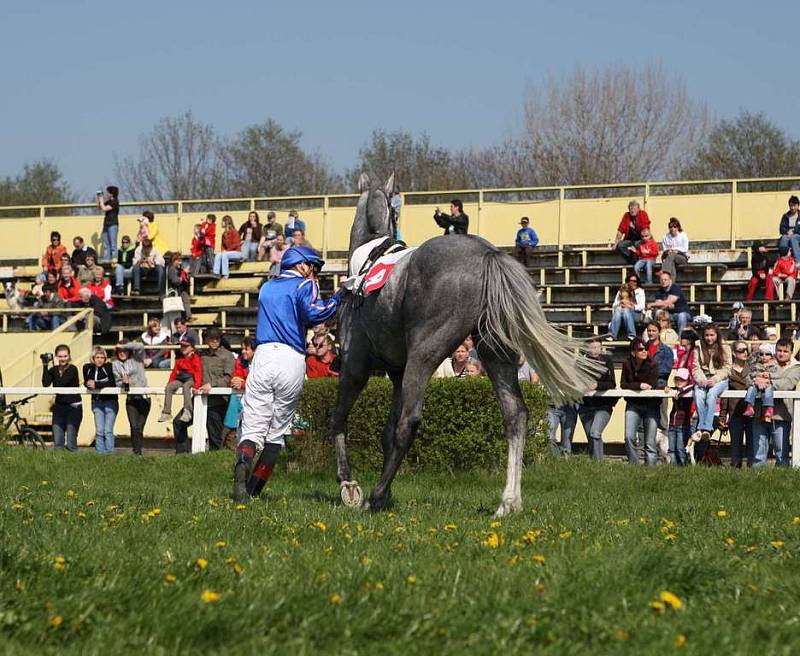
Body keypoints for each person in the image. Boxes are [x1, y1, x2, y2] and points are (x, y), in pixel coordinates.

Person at [233, 245, 341, 501]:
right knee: (276, 433)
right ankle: (253, 491)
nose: (313, 272)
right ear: (302, 264)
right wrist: (338, 298)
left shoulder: (266, 287)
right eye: (312, 267)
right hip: (291, 358)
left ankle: (242, 464)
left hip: (262, 356)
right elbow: (315, 315)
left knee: (252, 429)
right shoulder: (305, 285)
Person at [175, 327, 234, 452]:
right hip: (199, 399)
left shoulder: (227, 356)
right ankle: (182, 456)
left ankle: (216, 462)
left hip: (218, 401)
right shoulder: (200, 355)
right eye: (211, 338)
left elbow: (227, 379)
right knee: (179, 423)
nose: (214, 341)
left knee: (215, 438)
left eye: (217, 338)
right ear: (206, 339)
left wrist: (211, 385)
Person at [750, 337, 800, 467]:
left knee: (781, 451)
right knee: (758, 452)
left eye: (785, 351)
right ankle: (757, 480)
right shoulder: (763, 363)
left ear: (791, 353)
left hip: (781, 415)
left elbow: (787, 383)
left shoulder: (796, 367)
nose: (781, 353)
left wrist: (767, 380)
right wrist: (756, 380)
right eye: (779, 350)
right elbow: (749, 378)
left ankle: (782, 480)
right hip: (760, 412)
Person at [620, 337, 660, 465]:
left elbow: (651, 384)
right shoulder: (626, 364)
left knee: (650, 441)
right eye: (640, 349)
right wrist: (639, 385)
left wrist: (637, 384)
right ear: (633, 352)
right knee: (629, 436)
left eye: (646, 349)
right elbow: (623, 384)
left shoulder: (653, 365)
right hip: (633, 405)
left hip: (651, 405)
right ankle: (634, 465)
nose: (644, 351)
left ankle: (651, 468)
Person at [577, 337, 617, 460]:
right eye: (591, 347)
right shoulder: (580, 362)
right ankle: (596, 464)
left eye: (597, 347)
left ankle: (598, 463)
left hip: (603, 405)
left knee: (595, 433)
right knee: (591, 437)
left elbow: (612, 384)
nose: (594, 350)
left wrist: (597, 386)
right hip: (586, 406)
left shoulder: (607, 361)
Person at [690, 325, 731, 441]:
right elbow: (695, 367)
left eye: (712, 335)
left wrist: (715, 379)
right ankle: (702, 426)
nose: (709, 338)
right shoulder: (698, 347)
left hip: (720, 379)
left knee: (711, 394)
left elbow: (727, 368)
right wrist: (701, 380)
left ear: (717, 335)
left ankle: (706, 428)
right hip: (703, 378)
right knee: (698, 394)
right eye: (707, 335)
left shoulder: (725, 347)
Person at [112, 342, 150, 456]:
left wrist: (124, 345)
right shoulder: (115, 364)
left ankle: (138, 450)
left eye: (124, 350)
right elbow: (117, 382)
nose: (122, 353)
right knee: (134, 426)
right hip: (130, 398)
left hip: (144, 397)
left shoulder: (137, 359)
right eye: (120, 351)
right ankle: (136, 452)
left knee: (140, 427)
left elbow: (140, 346)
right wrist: (124, 383)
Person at [42, 344, 82, 451]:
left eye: (65, 356)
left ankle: (74, 465)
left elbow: (60, 384)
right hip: (59, 407)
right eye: (60, 356)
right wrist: (45, 365)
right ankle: (59, 464)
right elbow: (45, 383)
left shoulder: (72, 369)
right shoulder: (54, 370)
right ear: (56, 357)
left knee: (70, 443)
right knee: (58, 442)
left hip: (73, 408)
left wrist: (55, 367)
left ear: (69, 356)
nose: (63, 359)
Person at [718, 341, 751, 467]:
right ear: (733, 353)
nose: (745, 352)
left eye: (746, 349)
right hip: (734, 413)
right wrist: (722, 417)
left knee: (751, 446)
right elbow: (724, 396)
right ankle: (735, 475)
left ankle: (754, 475)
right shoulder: (728, 371)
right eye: (741, 350)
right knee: (735, 448)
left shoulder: (752, 368)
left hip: (752, 412)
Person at [159, 334, 203, 423]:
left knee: (186, 386)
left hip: (191, 379)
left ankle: (188, 411)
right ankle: (166, 412)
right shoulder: (179, 358)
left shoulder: (195, 358)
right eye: (182, 346)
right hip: (181, 378)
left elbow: (198, 372)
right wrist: (170, 382)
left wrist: (197, 385)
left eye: (186, 346)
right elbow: (175, 372)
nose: (183, 348)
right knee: (169, 387)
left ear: (192, 347)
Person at [83, 346, 117, 454]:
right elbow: (86, 382)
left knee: (108, 430)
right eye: (97, 357)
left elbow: (112, 383)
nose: (100, 359)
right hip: (97, 402)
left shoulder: (109, 367)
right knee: (99, 430)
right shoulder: (87, 368)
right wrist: (88, 384)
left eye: (102, 357)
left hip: (110, 402)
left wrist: (96, 384)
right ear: (93, 358)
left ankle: (109, 454)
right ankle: (99, 454)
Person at [742, 344, 779, 422]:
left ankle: (769, 407)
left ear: (771, 355)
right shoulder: (756, 365)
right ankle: (749, 406)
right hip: (757, 383)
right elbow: (751, 374)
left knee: (768, 388)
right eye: (761, 354)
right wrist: (756, 376)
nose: (764, 356)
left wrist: (769, 375)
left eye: (767, 354)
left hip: (768, 383)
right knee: (751, 387)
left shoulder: (775, 365)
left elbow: (778, 375)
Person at [665, 367, 694, 465]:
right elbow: (665, 388)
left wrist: (681, 391)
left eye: (682, 379)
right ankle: (673, 467)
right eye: (677, 379)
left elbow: (692, 387)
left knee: (680, 448)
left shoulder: (690, 391)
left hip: (683, 424)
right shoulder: (674, 390)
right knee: (671, 449)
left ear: (688, 380)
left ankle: (683, 466)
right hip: (672, 424)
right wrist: (667, 388)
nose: (679, 381)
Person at [649, 271, 691, 336]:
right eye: (661, 280)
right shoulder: (659, 291)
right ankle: (659, 335)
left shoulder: (675, 288)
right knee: (658, 312)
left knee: (682, 316)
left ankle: (680, 338)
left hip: (682, 313)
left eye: (665, 279)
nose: (663, 281)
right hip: (669, 315)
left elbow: (668, 301)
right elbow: (660, 305)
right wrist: (665, 306)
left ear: (670, 280)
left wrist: (653, 304)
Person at [610, 200, 650, 265]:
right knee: (620, 246)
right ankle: (631, 260)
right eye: (630, 209)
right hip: (629, 240)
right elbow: (620, 230)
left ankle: (635, 262)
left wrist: (646, 241)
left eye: (634, 208)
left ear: (638, 209)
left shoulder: (643, 214)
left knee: (637, 244)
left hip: (640, 239)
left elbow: (645, 229)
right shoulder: (626, 216)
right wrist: (615, 243)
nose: (632, 210)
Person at [96, 185, 120, 262]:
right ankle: (106, 261)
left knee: (113, 244)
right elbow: (100, 207)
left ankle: (114, 260)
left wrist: (102, 200)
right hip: (106, 224)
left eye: (108, 192)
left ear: (112, 193)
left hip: (113, 224)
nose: (107, 194)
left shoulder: (115, 201)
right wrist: (99, 199)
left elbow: (104, 208)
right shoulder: (109, 201)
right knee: (106, 245)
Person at [167, 253, 192, 320]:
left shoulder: (178, 269)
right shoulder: (172, 269)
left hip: (179, 291)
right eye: (178, 261)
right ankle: (186, 317)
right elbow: (175, 281)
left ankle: (188, 316)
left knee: (185, 297)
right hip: (173, 292)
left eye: (180, 261)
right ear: (173, 261)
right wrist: (181, 278)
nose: (180, 263)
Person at [778, 195, 800, 263]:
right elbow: (781, 229)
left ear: (798, 205)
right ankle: (783, 261)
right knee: (784, 238)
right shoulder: (785, 216)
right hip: (788, 235)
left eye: (794, 205)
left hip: (797, 235)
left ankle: (798, 262)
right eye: (791, 206)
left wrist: (793, 231)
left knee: (794, 238)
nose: (793, 208)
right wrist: (787, 232)